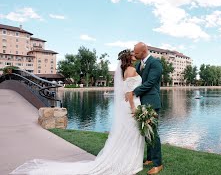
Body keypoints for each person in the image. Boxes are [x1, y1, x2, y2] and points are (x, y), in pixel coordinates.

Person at [11, 49, 145, 175]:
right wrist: (133, 107)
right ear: (128, 58)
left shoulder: (125, 70)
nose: (135, 55)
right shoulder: (131, 69)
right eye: (133, 54)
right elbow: (128, 92)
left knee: (129, 133)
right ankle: (129, 160)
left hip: (129, 104)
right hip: (131, 105)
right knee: (132, 132)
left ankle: (127, 158)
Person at [126, 42, 163, 174]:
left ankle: (158, 164)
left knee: (153, 133)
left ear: (144, 51)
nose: (134, 55)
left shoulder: (155, 63)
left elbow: (150, 83)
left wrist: (134, 92)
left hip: (152, 102)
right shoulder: (138, 64)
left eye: (136, 53)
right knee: (146, 132)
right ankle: (149, 158)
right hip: (141, 103)